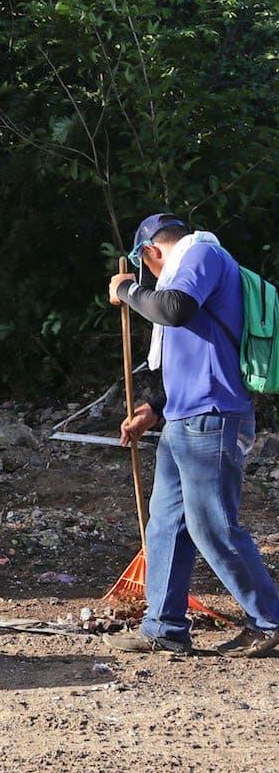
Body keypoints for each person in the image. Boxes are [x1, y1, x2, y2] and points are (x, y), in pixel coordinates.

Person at [104, 212, 279, 657]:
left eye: (146, 267)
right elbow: (196, 353)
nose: (149, 277)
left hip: (214, 415)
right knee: (166, 523)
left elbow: (175, 310)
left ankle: (270, 620)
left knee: (213, 525)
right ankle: (164, 627)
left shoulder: (202, 253)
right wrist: (154, 408)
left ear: (150, 252)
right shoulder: (190, 269)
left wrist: (126, 290)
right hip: (183, 418)